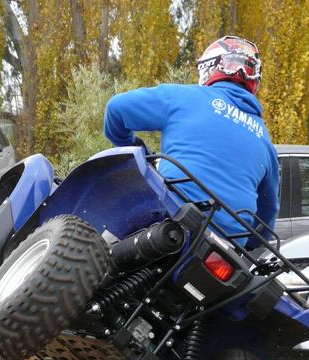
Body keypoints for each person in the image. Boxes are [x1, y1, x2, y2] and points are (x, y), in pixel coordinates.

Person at [103, 36, 279, 247]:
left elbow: (116, 109)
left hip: (170, 213)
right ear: (254, 81)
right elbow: (267, 215)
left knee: (101, 242)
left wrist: (133, 149)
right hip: (226, 246)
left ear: (209, 67)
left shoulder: (185, 97)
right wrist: (247, 246)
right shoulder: (265, 140)